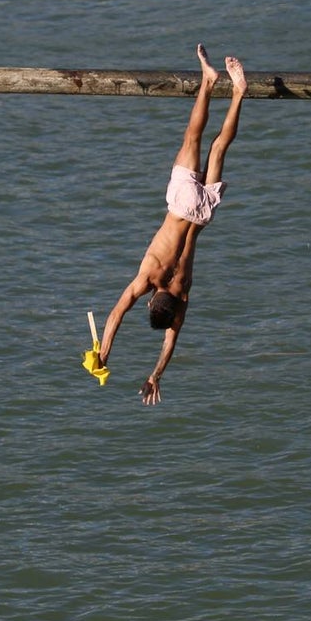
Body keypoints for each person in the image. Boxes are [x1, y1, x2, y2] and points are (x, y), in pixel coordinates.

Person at [98, 44, 247, 405]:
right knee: (191, 138)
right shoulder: (149, 278)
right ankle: (208, 82)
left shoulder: (182, 296)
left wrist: (155, 375)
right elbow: (116, 313)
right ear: (151, 304)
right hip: (180, 206)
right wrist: (102, 354)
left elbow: (170, 342)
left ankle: (240, 92)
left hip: (204, 213)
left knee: (218, 149)